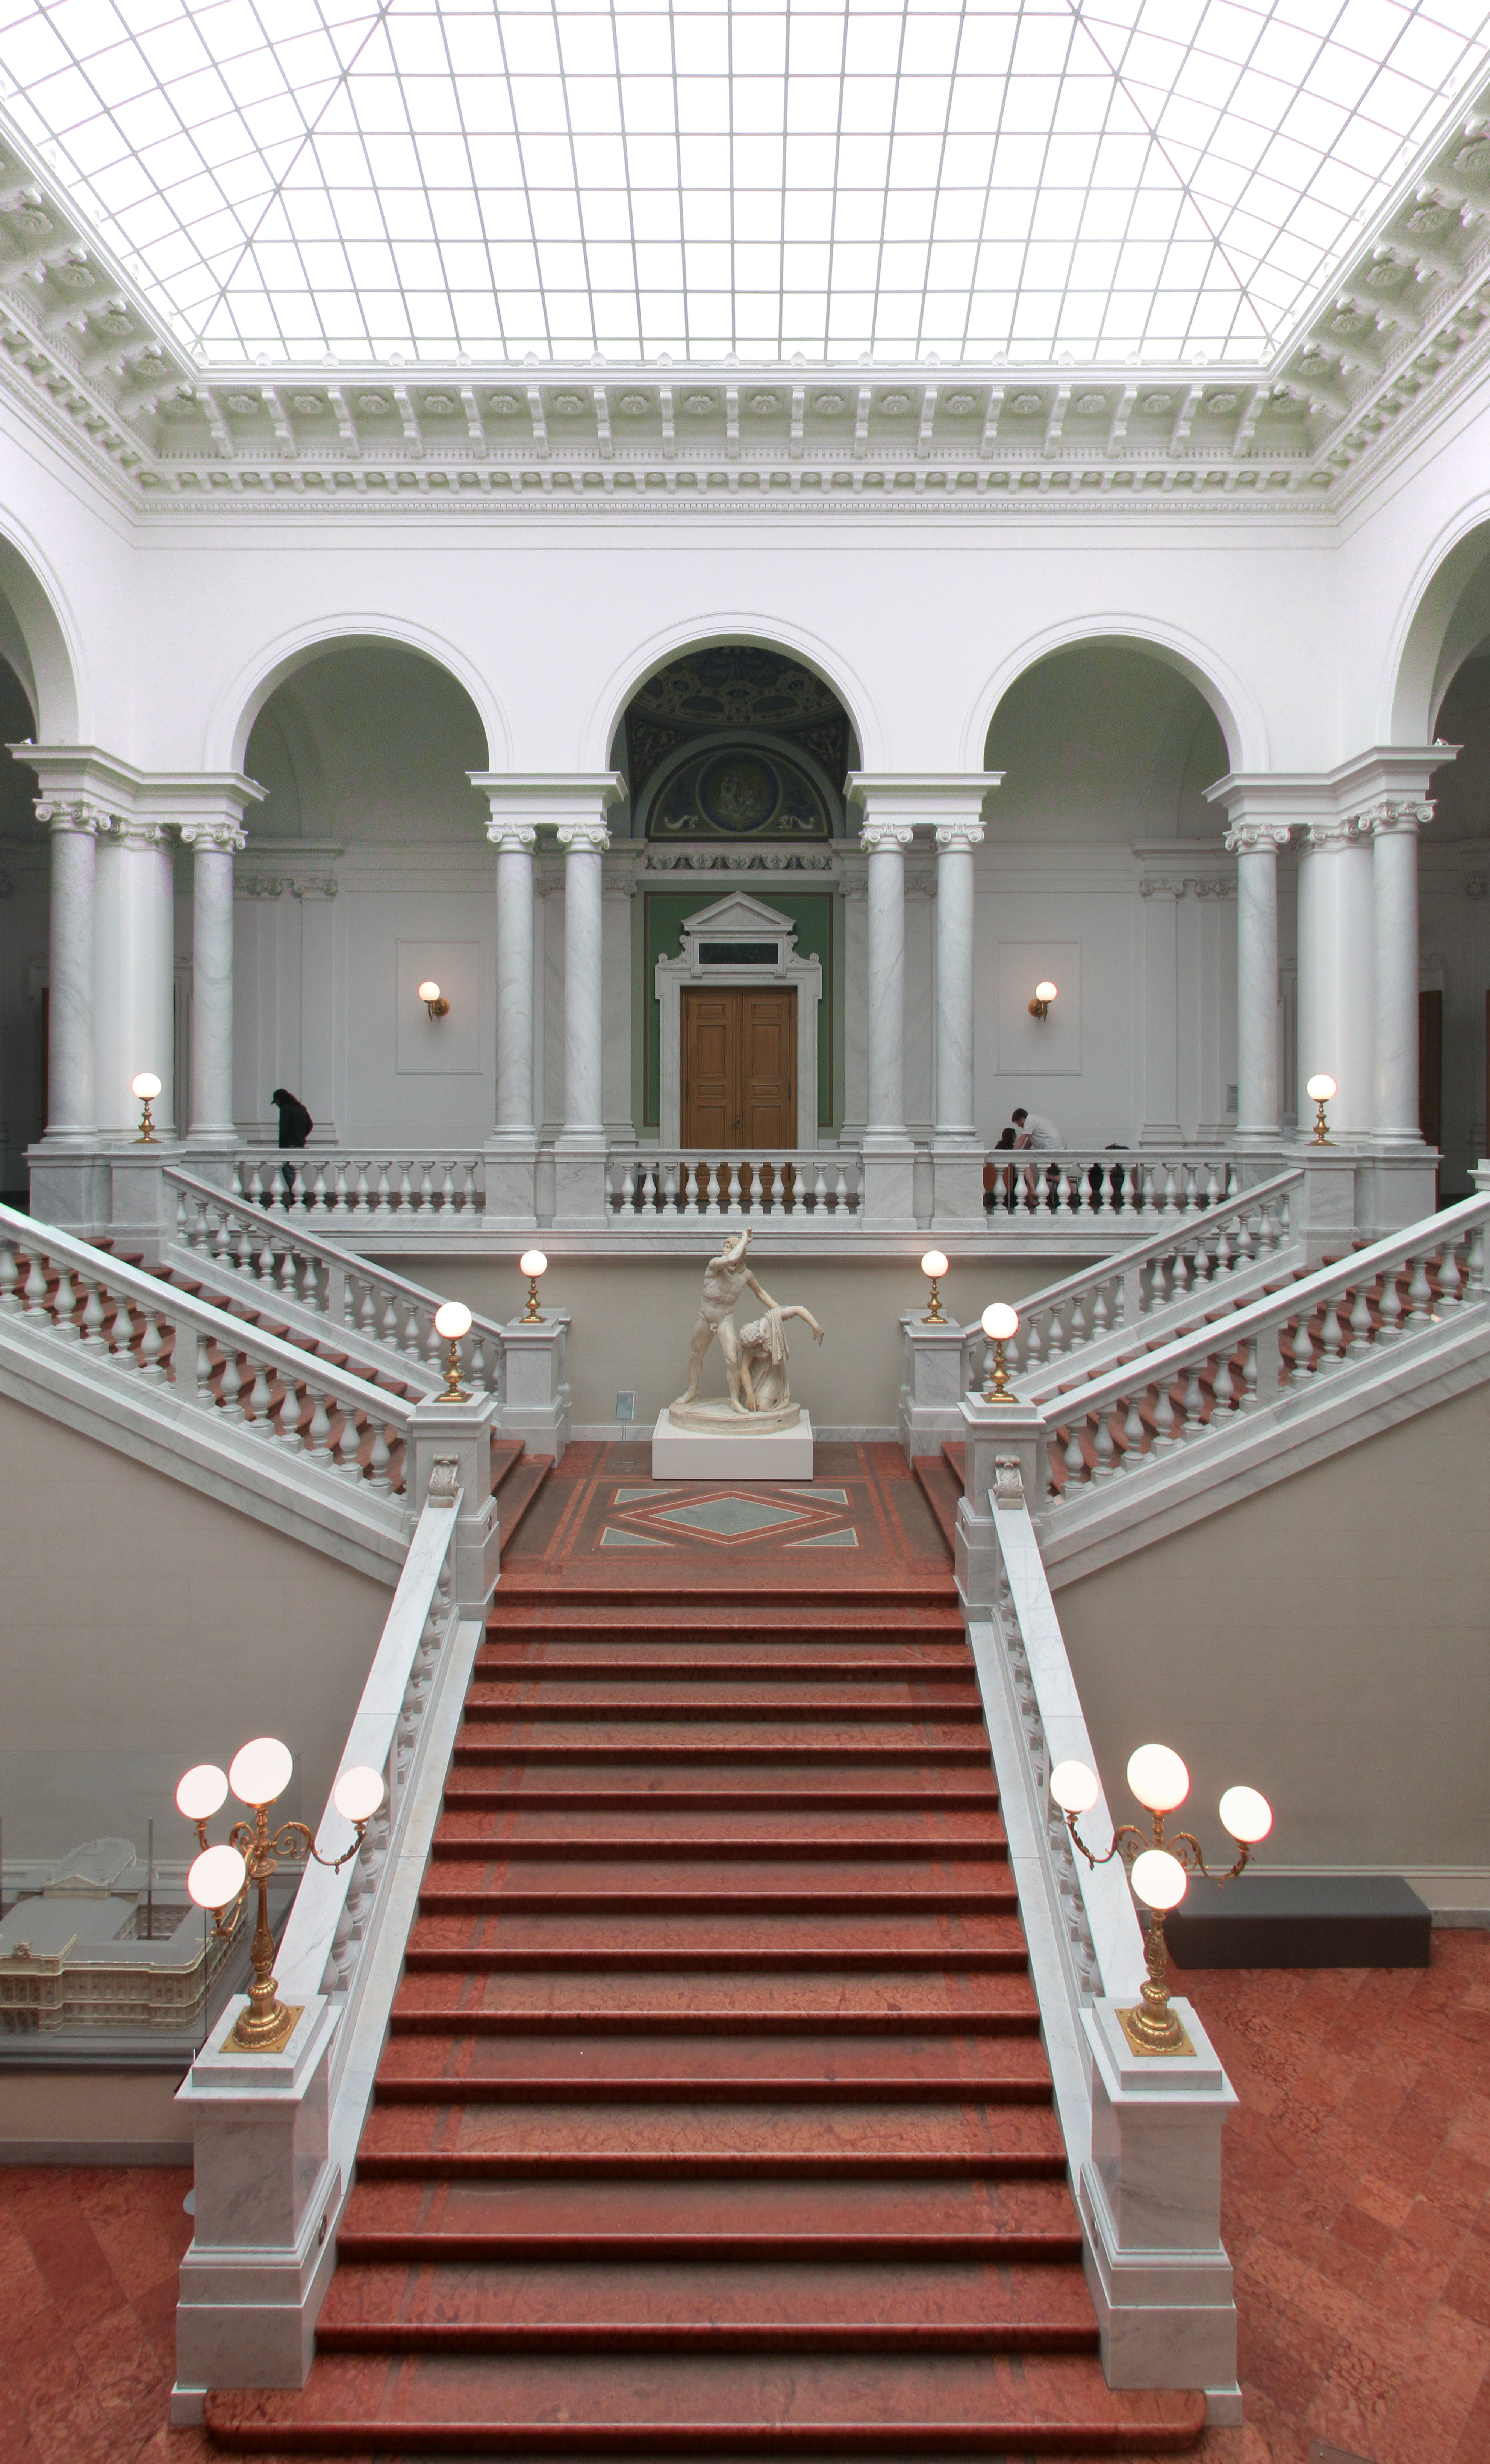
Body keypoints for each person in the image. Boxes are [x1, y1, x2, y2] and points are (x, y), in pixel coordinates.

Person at [270, 1088, 313, 1202]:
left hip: (289, 1145)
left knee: (288, 1170)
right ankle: (295, 1197)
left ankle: (300, 1195)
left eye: (277, 1102)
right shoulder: (301, 1108)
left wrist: (281, 1147)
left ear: (279, 1100)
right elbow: (310, 1124)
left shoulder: (286, 1109)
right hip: (300, 1144)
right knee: (296, 1171)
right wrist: (301, 1136)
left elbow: (283, 1129)